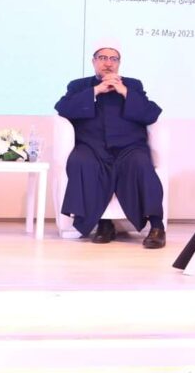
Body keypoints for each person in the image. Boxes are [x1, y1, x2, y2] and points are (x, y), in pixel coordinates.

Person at [55, 40, 165, 249]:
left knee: (142, 164)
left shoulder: (133, 85)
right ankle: (103, 224)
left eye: (113, 59)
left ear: (119, 63)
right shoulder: (79, 86)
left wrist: (124, 92)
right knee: (80, 162)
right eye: (103, 58)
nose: (108, 63)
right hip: (92, 147)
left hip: (129, 148)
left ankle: (157, 227)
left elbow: (151, 114)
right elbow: (63, 108)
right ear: (94, 62)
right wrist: (96, 91)